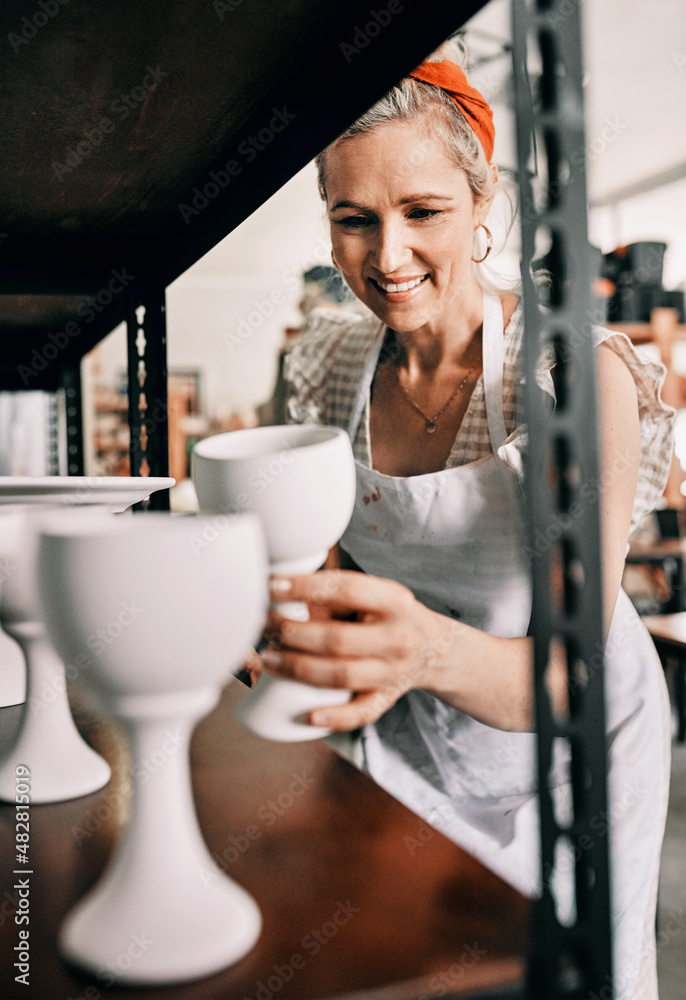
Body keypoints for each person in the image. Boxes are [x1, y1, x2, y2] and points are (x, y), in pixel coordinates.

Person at [254, 40, 674, 1000]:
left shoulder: (574, 380)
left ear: (486, 209)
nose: (387, 257)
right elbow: (309, 566)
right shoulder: (328, 369)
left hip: (571, 750)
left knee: (558, 978)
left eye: (424, 212)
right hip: (412, 731)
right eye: (353, 219)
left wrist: (417, 652)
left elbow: (574, 678)